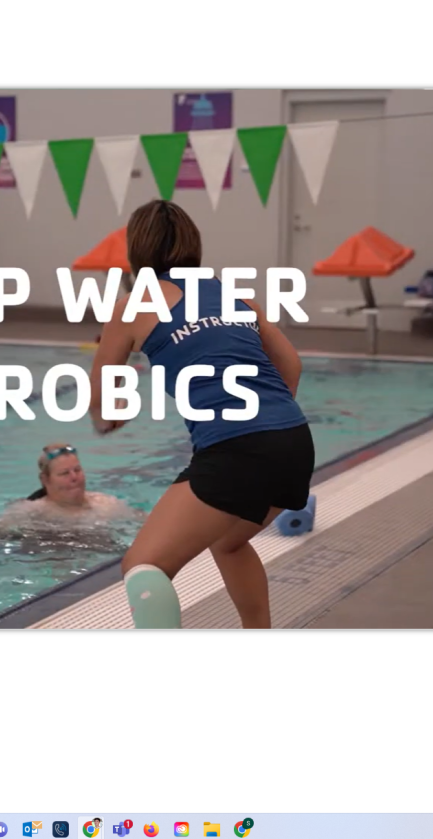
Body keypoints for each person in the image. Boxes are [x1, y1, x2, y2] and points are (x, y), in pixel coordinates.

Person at [88, 199, 315, 629]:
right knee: (228, 543)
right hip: (294, 440)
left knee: (144, 566)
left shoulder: (133, 304)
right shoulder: (231, 294)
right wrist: (268, 424)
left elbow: (101, 396)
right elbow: (292, 366)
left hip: (235, 450)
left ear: (136, 250)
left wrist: (109, 416)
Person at [0, 443, 144, 546]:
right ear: (45, 480)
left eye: (77, 470)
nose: (74, 477)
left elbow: (146, 524)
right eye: (64, 473)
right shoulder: (30, 512)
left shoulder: (106, 505)